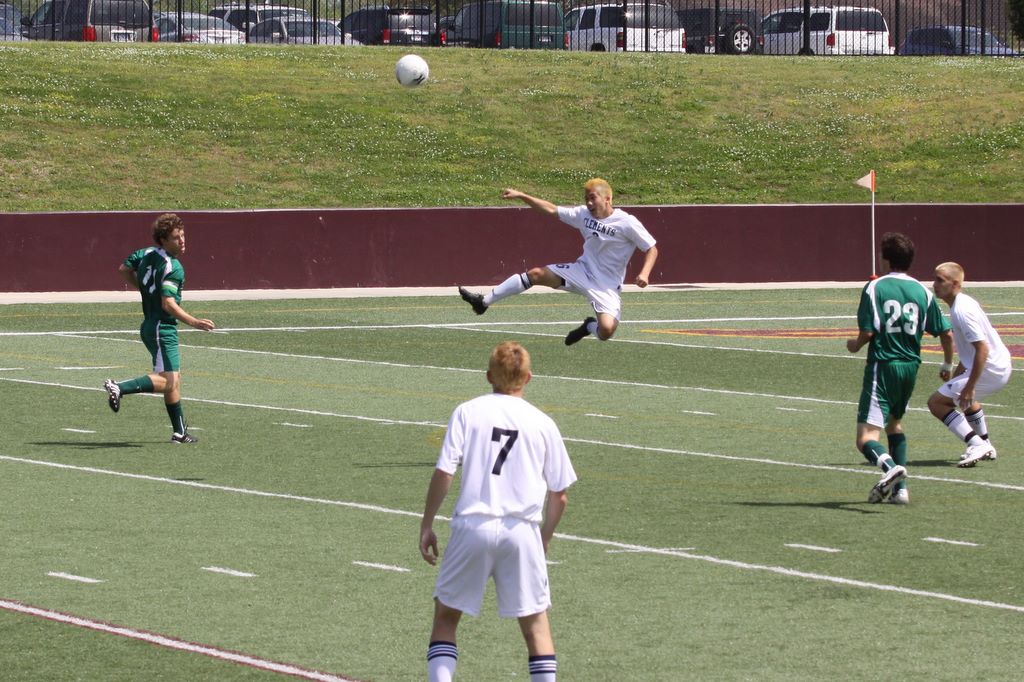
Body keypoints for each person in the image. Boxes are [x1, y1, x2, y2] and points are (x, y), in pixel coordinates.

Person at [419, 341, 577, 682]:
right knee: (536, 627)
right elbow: (560, 496)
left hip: (472, 526)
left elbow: (445, 472)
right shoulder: (543, 423)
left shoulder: (468, 411)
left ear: (489, 376)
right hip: (521, 530)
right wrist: (544, 538)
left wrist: (427, 524)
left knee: (446, 618)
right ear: (528, 378)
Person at [458, 179, 659, 346]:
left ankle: (588, 326)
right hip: (582, 271)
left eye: (593, 198)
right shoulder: (583, 214)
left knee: (606, 331)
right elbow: (551, 209)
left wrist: (645, 273)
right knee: (536, 274)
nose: (589, 203)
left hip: (606, 285)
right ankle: (482, 303)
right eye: (586, 199)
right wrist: (522, 195)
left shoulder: (627, 222)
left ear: (607, 199)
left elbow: (652, 248)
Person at [846, 232, 953, 505]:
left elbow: (868, 332)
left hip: (883, 365)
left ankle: (890, 468)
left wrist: (854, 345)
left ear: (885, 259)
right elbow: (946, 333)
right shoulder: (922, 291)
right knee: (894, 423)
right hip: (910, 367)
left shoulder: (875, 287)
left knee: (865, 437)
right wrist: (946, 363)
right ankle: (901, 491)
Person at [103, 213, 215, 444]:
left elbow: (124, 268)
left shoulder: (145, 253)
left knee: (173, 377)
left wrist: (145, 290)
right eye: (176, 237)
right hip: (162, 329)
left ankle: (179, 432)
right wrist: (194, 322)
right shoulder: (174, 267)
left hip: (150, 326)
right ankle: (119, 387)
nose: (182, 241)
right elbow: (168, 304)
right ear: (163, 240)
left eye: (183, 235)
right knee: (168, 380)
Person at [927, 262, 1012, 468]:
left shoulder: (961, 311)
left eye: (940, 280)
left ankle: (976, 444)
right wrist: (958, 377)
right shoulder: (962, 303)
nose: (934, 284)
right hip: (998, 365)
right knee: (963, 397)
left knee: (936, 403)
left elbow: (982, 349)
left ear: (955, 284)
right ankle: (985, 443)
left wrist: (969, 386)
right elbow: (971, 354)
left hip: (991, 369)